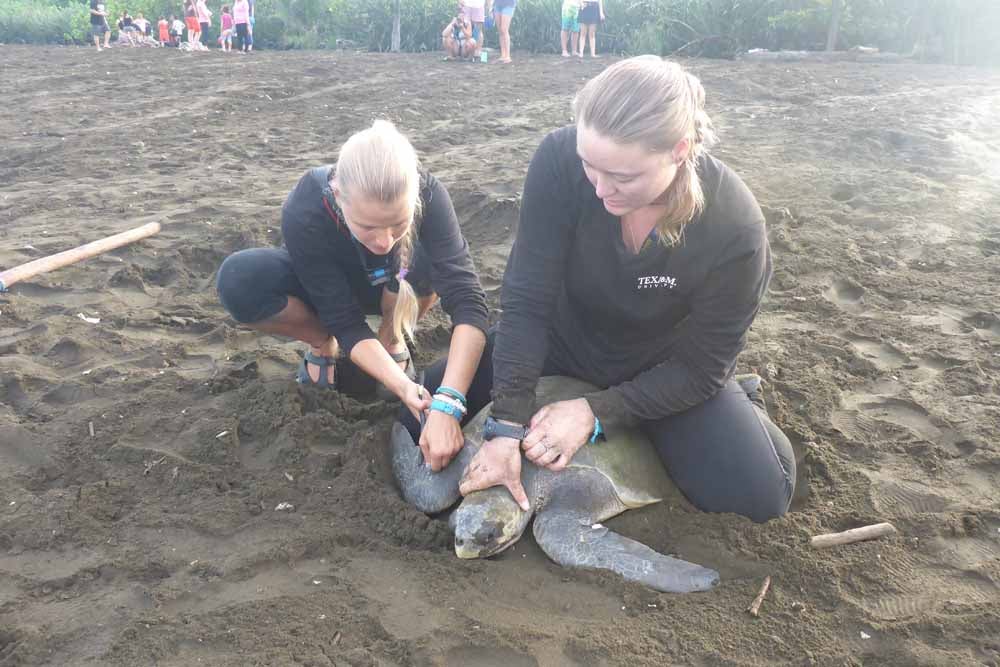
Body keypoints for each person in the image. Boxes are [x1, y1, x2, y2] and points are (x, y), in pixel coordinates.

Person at [403, 57, 795, 523]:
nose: (601, 189)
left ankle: (744, 403)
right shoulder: (557, 161)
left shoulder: (734, 223)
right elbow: (527, 303)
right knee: (415, 413)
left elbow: (703, 366)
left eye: (624, 177)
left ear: (679, 149)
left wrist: (597, 411)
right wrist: (505, 425)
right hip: (563, 341)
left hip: (660, 365)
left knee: (761, 496)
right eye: (591, 166)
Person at [217, 120, 489, 471]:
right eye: (368, 226)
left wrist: (448, 401)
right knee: (239, 278)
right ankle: (320, 343)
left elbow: (470, 300)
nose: (384, 241)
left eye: (398, 224)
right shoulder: (307, 206)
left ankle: (392, 339)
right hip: (331, 285)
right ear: (338, 194)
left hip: (401, 277)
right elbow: (346, 321)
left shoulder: (430, 193)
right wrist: (405, 387)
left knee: (438, 263)